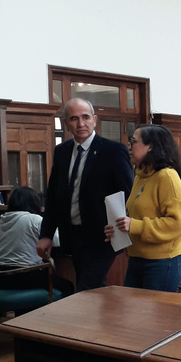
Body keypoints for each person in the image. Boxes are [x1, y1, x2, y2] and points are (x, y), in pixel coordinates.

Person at [37, 99, 134, 291]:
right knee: (93, 289)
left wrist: (126, 225)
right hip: (72, 236)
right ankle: (105, 320)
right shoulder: (62, 151)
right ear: (66, 123)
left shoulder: (113, 151)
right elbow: (54, 197)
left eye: (85, 117)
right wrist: (46, 234)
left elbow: (128, 194)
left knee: (86, 289)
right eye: (74, 119)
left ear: (95, 120)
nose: (80, 124)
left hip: (104, 237)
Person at [105, 124, 181, 292]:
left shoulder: (167, 176)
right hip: (137, 258)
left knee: (157, 316)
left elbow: (179, 222)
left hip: (162, 262)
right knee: (134, 314)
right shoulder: (140, 176)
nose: (129, 146)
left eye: (134, 142)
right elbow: (135, 214)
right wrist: (118, 228)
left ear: (150, 146)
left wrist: (135, 225)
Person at [0, 186, 74, 297]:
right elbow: (58, 240)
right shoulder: (33, 219)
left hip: (1, 276)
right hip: (25, 274)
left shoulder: (4, 220)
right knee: (67, 286)